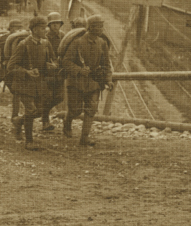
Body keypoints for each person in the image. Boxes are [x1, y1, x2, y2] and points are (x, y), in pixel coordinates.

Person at [7, 16, 58, 150]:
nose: (45, 30)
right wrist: (26, 72)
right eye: (42, 28)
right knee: (31, 110)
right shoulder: (23, 45)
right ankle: (29, 141)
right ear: (34, 30)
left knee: (40, 110)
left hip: (39, 84)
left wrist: (52, 65)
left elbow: (53, 60)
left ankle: (18, 122)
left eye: (45, 27)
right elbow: (11, 66)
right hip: (24, 84)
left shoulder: (46, 44)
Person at [62, 14, 113, 147]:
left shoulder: (102, 43)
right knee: (75, 110)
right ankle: (67, 122)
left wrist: (108, 80)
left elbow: (106, 64)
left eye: (102, 26)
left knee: (91, 110)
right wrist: (79, 70)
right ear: (90, 27)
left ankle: (84, 138)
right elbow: (66, 62)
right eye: (98, 26)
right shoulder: (77, 42)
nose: (101, 29)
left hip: (94, 82)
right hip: (76, 82)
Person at [41, 12, 66, 131]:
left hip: (59, 71)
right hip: (45, 72)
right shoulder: (44, 36)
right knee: (47, 97)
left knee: (59, 97)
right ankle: (45, 121)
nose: (56, 26)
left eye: (58, 23)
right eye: (53, 23)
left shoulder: (63, 36)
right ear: (49, 25)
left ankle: (43, 114)